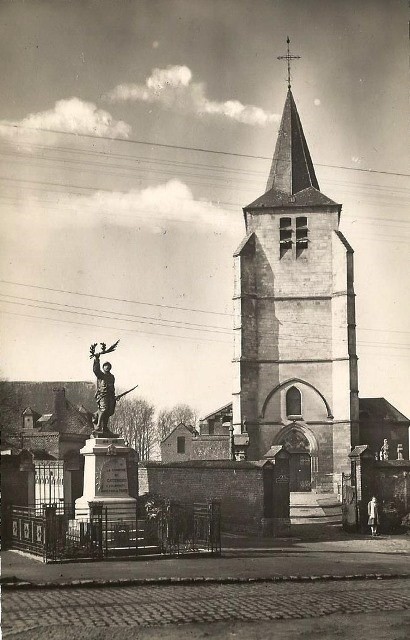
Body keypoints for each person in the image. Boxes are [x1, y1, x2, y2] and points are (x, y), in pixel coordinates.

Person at [92, 354, 117, 433]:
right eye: (105, 366)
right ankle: (98, 426)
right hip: (102, 395)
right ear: (103, 367)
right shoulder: (101, 375)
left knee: (109, 411)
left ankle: (105, 428)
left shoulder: (112, 377)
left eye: (108, 366)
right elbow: (96, 370)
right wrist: (97, 359)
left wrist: (114, 396)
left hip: (110, 396)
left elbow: (112, 387)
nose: (107, 367)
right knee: (104, 409)